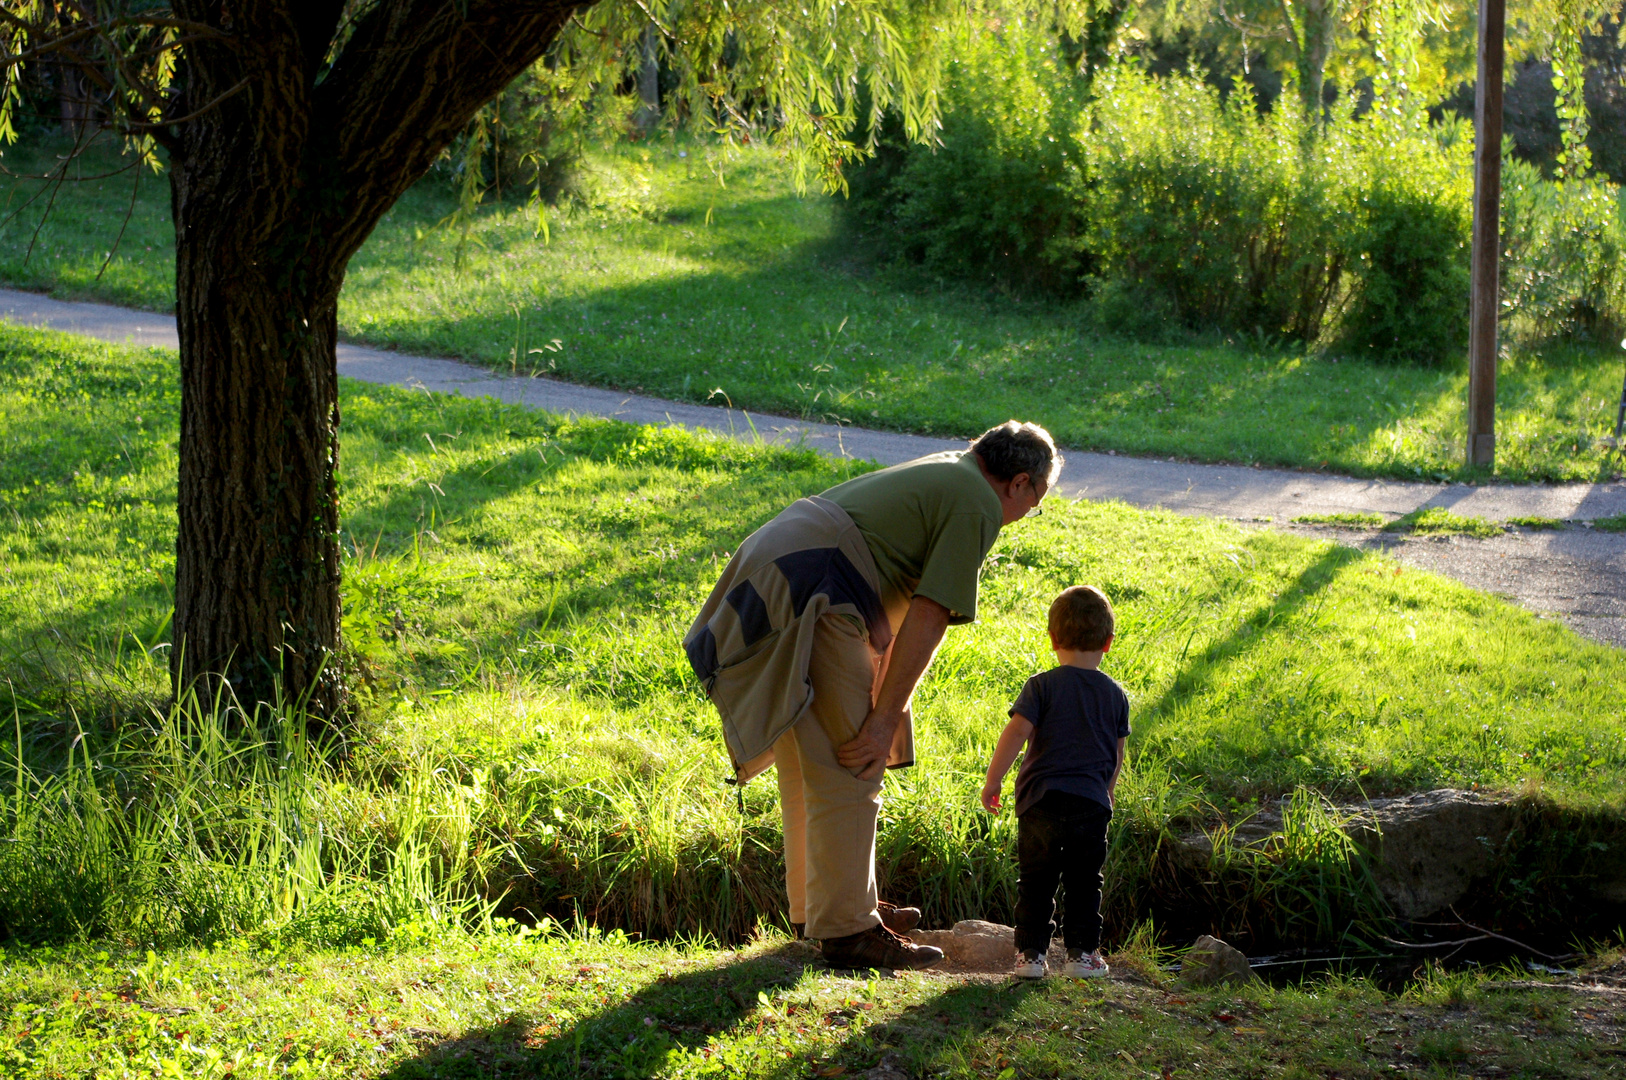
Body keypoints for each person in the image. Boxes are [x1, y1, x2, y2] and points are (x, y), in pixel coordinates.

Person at [685, 421, 1062, 970]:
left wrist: (887, 704)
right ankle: (849, 931)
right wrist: (883, 718)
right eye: (1037, 502)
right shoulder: (977, 502)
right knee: (855, 759)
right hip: (819, 585)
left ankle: (828, 905)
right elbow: (931, 612)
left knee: (807, 758)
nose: (1029, 513)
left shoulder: (949, 470)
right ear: (1020, 483)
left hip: (780, 567)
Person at [980, 585, 1128, 980]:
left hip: (1039, 801)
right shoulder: (1115, 694)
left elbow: (1015, 733)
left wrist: (994, 780)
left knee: (1036, 879)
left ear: (1052, 639)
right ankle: (1082, 955)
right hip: (1090, 804)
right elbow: (1117, 753)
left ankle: (1031, 956)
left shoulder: (1041, 686)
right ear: (1109, 643)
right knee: (1084, 881)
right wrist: (1107, 791)